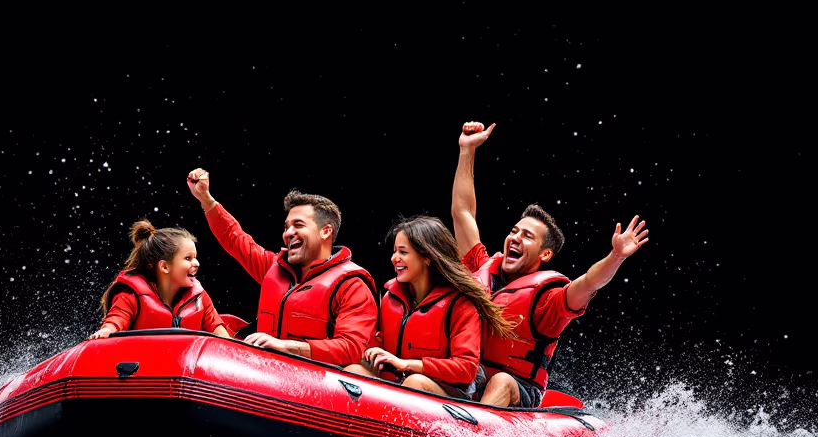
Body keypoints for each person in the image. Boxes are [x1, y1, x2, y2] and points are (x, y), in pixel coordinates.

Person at [451, 121, 649, 408]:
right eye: (514, 231)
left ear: (544, 255)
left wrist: (616, 256)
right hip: (471, 375)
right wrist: (466, 150)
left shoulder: (550, 300)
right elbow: (462, 212)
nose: (515, 238)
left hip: (519, 389)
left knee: (501, 381)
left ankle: (472, 431)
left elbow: (590, 282)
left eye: (527, 236)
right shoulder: (480, 266)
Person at [185, 167, 377, 366]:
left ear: (325, 231)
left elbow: (352, 348)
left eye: (298, 225)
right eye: (286, 227)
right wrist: (206, 199)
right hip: (263, 369)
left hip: (311, 379)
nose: (288, 233)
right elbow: (235, 239)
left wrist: (288, 347)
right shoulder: (273, 266)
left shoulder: (353, 285)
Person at [342, 215, 513, 399]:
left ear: (427, 257)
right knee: (353, 371)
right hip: (396, 386)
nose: (394, 258)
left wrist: (407, 364)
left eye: (403, 252)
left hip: (444, 396)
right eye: (394, 252)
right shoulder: (390, 297)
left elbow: (466, 369)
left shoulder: (461, 303)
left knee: (414, 383)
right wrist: (371, 352)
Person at [88, 219, 231, 340]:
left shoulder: (200, 298)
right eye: (188, 258)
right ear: (164, 267)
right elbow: (114, 322)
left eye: (195, 257)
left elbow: (221, 334)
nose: (197, 263)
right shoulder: (130, 296)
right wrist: (106, 331)